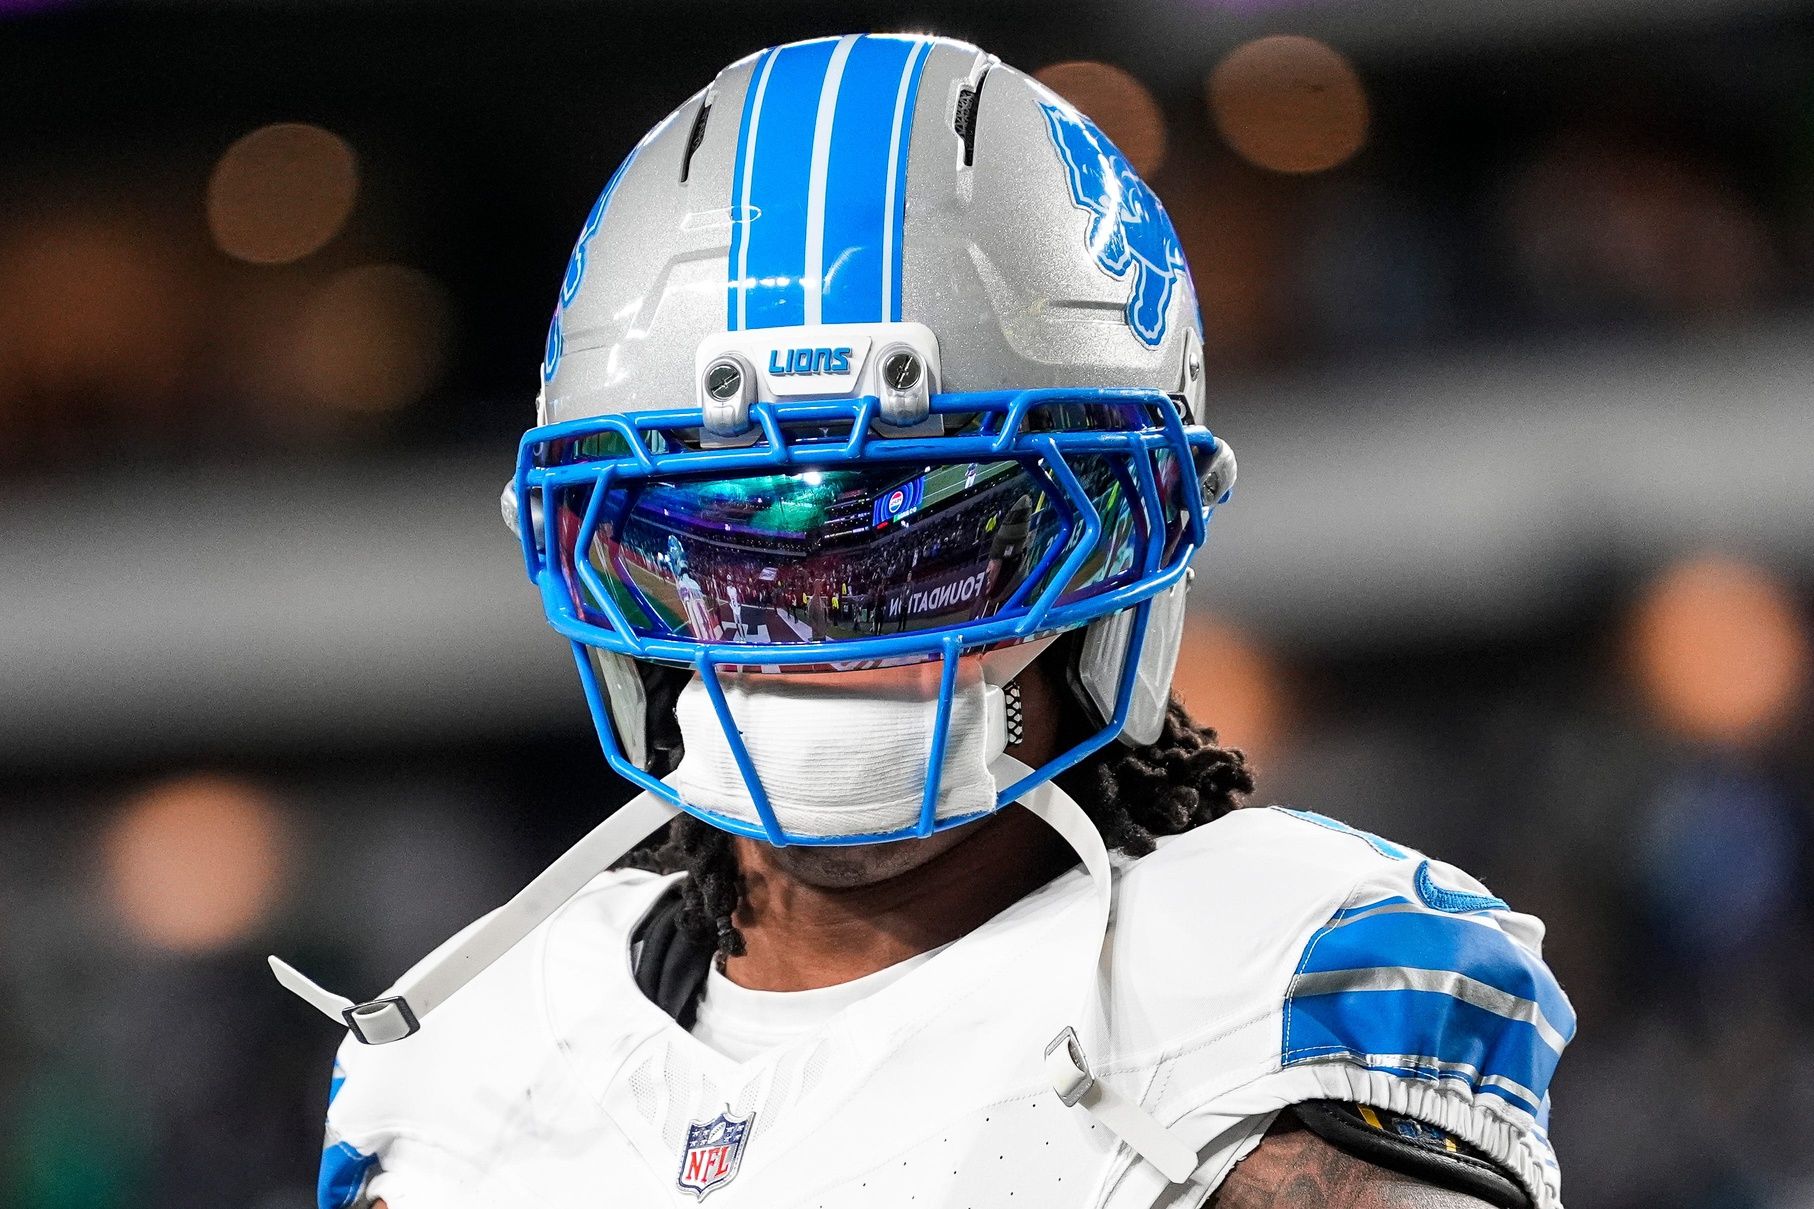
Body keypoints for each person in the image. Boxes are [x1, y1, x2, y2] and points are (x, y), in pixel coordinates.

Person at [274, 33, 1572, 1209]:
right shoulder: (459, 1061)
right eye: (735, 548)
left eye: (928, 541)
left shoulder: (1286, 981)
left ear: (1130, 530)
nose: (826, 622)